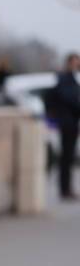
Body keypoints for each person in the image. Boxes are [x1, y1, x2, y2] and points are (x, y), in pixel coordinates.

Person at [54, 53, 80, 199]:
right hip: (67, 122)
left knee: (68, 157)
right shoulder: (65, 78)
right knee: (66, 157)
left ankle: (67, 188)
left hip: (71, 122)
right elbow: (69, 99)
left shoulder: (70, 78)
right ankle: (65, 190)